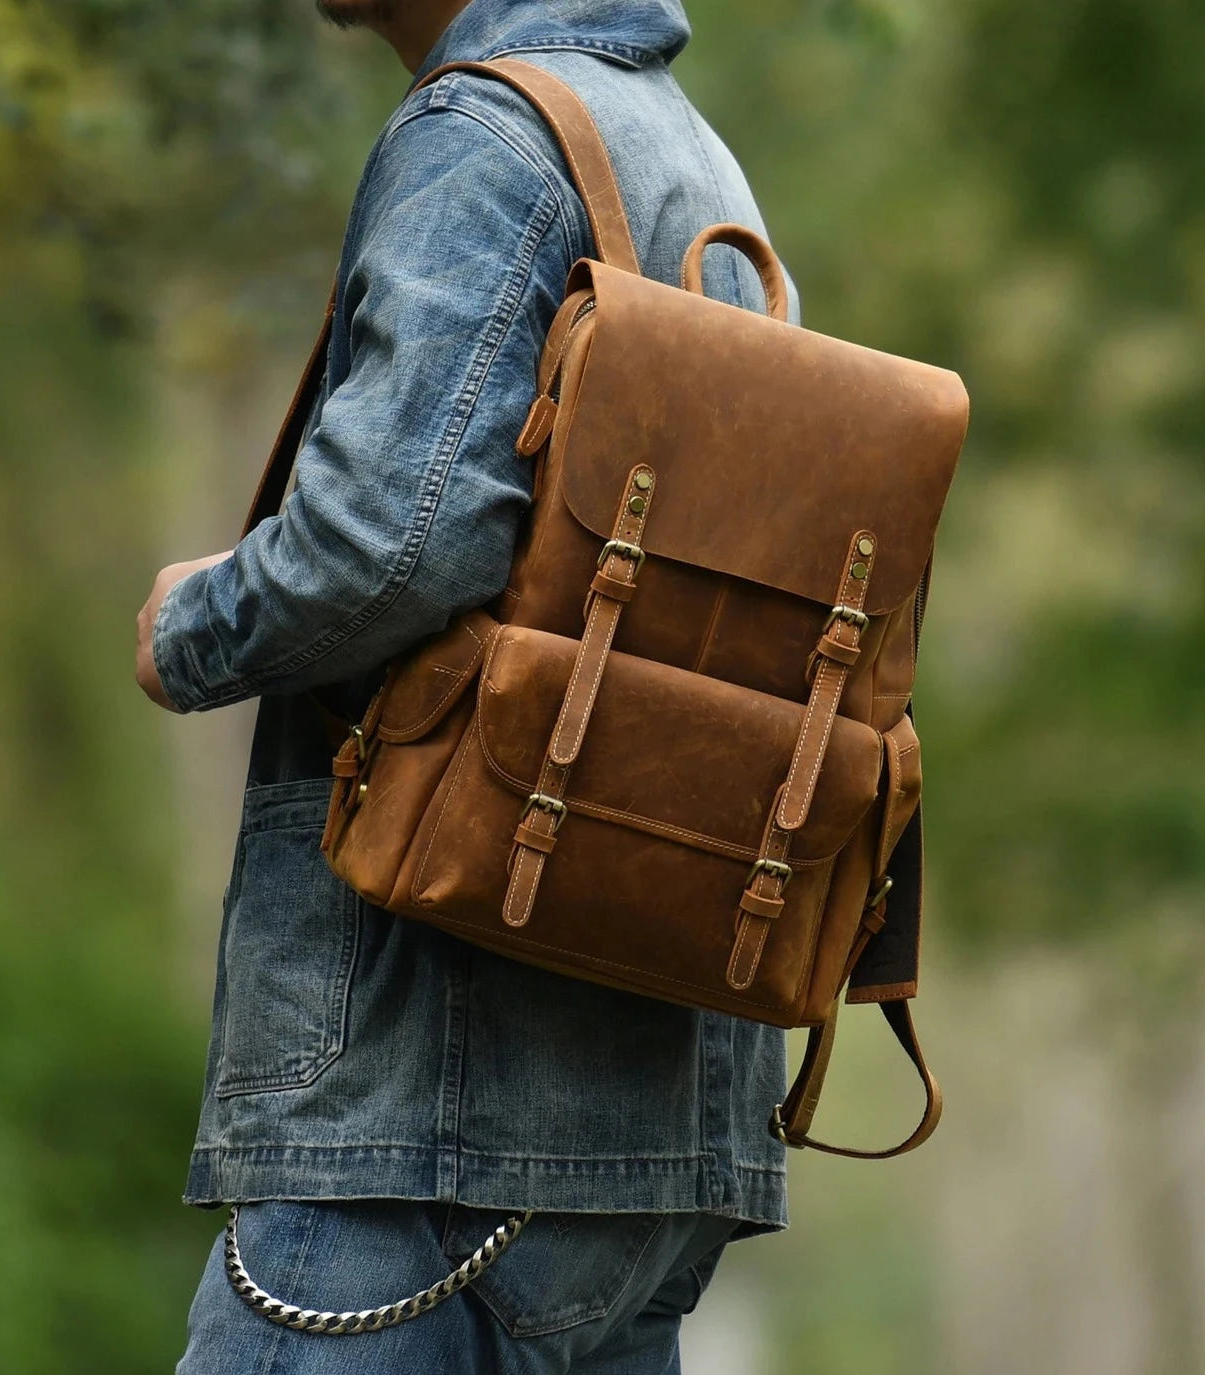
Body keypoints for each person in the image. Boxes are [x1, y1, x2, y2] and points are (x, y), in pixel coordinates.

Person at [136, 1, 796, 1369]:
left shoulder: (483, 138)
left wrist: (191, 624)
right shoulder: (689, 156)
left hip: (429, 1117)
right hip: (651, 1134)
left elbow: (389, 541)